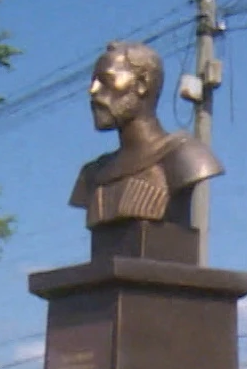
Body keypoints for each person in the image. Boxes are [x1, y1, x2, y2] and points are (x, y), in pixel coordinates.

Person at [71, 41, 222, 228]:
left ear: (142, 84)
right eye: (93, 81)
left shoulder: (186, 156)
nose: (92, 90)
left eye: (105, 80)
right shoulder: (91, 174)